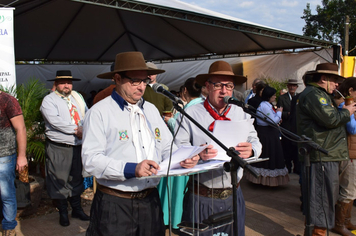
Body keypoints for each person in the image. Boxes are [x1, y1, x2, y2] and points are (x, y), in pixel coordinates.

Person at [81, 51, 199, 236]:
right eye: (135, 80)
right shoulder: (99, 113)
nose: (141, 87)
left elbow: (168, 147)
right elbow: (91, 160)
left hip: (150, 200)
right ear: (117, 78)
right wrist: (132, 169)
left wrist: (182, 159)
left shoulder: (151, 110)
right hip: (115, 203)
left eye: (144, 81)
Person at [174, 60, 262, 236]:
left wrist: (251, 149)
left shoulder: (240, 112)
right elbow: (177, 150)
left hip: (234, 196)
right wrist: (197, 153)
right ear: (207, 86)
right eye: (218, 85)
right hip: (202, 197)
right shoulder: (190, 114)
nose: (224, 91)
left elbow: (255, 140)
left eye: (229, 86)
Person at [296, 63, 356, 235]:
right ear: (324, 79)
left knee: (321, 201)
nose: (338, 85)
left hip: (324, 153)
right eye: (335, 80)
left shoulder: (318, 94)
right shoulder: (315, 95)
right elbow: (330, 119)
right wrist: (347, 111)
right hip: (321, 154)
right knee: (321, 202)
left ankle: (315, 232)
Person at [40, 70, 90, 227]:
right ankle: (63, 212)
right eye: (62, 82)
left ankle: (76, 209)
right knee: (59, 180)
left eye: (69, 82)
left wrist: (88, 127)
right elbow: (55, 121)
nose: (66, 85)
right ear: (56, 84)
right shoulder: (49, 100)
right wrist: (76, 129)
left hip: (77, 146)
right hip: (59, 147)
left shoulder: (77, 98)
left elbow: (87, 114)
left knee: (76, 178)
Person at [159, 77, 204, 230]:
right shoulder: (204, 107)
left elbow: (179, 132)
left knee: (177, 189)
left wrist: (169, 120)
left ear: (184, 90)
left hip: (185, 156)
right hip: (197, 157)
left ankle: (174, 218)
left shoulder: (188, 109)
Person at [245, 86, 290, 186]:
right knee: (268, 156)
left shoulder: (267, 105)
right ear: (269, 96)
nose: (275, 97)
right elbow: (272, 121)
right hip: (267, 133)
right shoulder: (264, 105)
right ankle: (264, 180)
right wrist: (279, 113)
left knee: (271, 155)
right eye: (273, 95)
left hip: (269, 133)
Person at [0, 91, 27, 236]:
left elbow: (21, 128)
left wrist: (22, 156)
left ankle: (9, 226)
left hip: (4, 155)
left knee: (6, 193)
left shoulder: (7, 100)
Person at [331, 77, 356, 236]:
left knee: (352, 189)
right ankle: (339, 224)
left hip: (352, 152)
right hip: (348, 154)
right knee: (348, 189)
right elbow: (352, 129)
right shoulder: (344, 105)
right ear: (351, 91)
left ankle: (346, 220)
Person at [277, 79, 300, 174]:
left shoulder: (299, 97)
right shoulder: (282, 98)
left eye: (294, 86)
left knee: (295, 149)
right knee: (286, 148)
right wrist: (288, 114)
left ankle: (296, 168)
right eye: (290, 85)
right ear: (288, 86)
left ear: (296, 87)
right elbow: (279, 112)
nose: (292, 87)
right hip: (286, 127)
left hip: (296, 127)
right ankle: (288, 167)